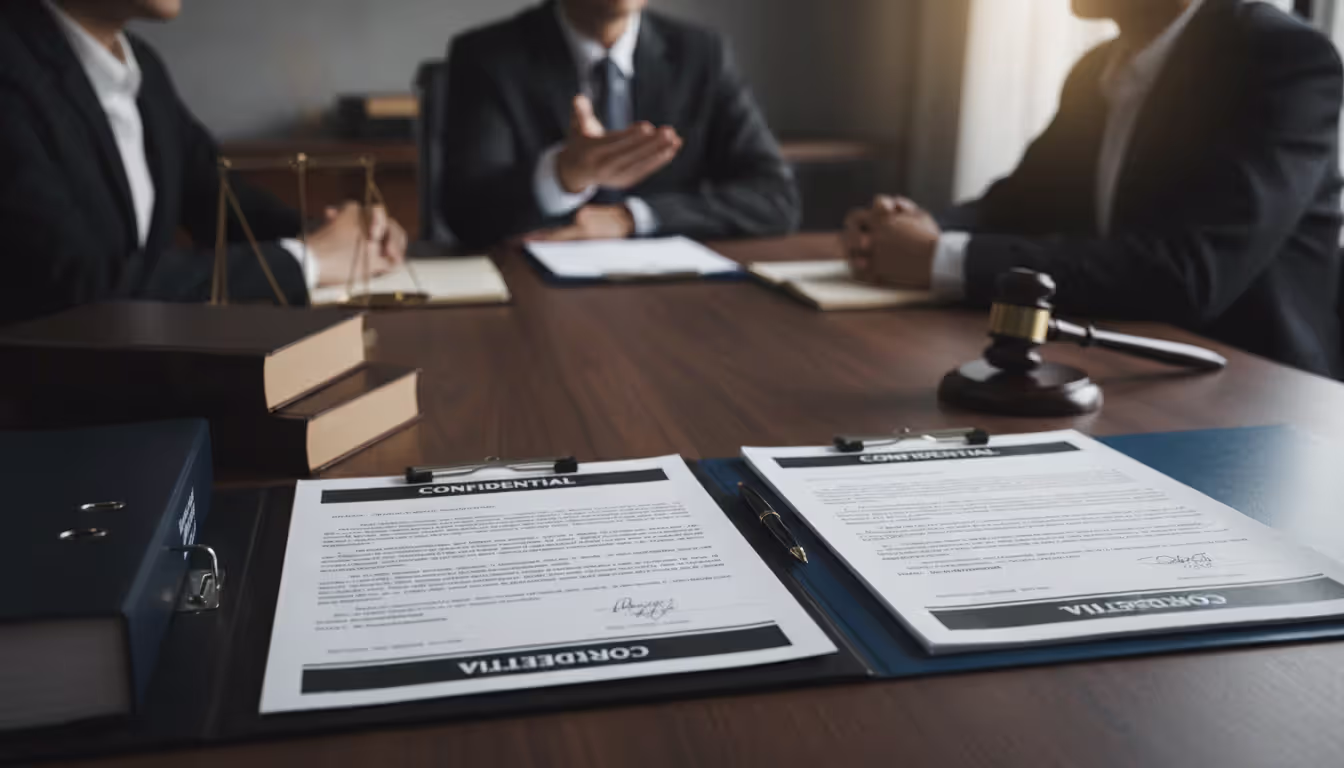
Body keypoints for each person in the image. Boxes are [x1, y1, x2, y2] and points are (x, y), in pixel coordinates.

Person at [843, 0, 1344, 377]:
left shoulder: (1283, 60)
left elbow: (1187, 275)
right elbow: (1019, 201)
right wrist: (914, 229)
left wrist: (939, 258)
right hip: (1113, 359)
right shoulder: (1099, 69)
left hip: (1250, 392)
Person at [0, 0, 408, 327]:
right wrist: (308, 260)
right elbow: (77, 286)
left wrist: (346, 237)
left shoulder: (140, 66)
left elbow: (221, 203)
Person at [439, 0, 799, 249]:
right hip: (531, 296)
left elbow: (775, 198)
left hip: (675, 298)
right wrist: (561, 176)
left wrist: (630, 219)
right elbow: (466, 213)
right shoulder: (488, 56)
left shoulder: (702, 53)